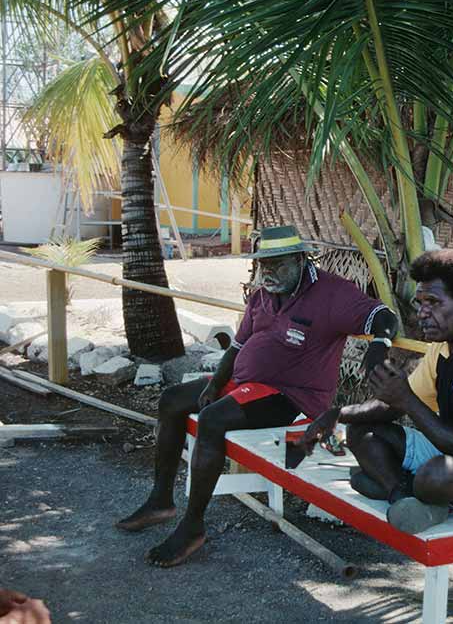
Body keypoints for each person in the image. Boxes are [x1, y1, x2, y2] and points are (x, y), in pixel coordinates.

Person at [115, 225, 398, 567]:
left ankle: (192, 527)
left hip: (293, 396)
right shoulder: (263, 295)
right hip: (247, 382)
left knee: (213, 419)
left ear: (300, 260)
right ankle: (161, 501)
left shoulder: (331, 293)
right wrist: (215, 384)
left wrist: (380, 343)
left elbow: (383, 316)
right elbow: (236, 346)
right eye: (265, 264)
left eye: (278, 264)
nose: (269, 272)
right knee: (172, 400)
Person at [303, 249, 453, 534]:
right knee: (362, 431)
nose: (422, 313)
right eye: (420, 302)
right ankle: (401, 494)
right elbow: (392, 407)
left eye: (433, 302)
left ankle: (406, 487)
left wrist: (406, 400)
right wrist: (338, 415)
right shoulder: (443, 347)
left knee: (436, 473)